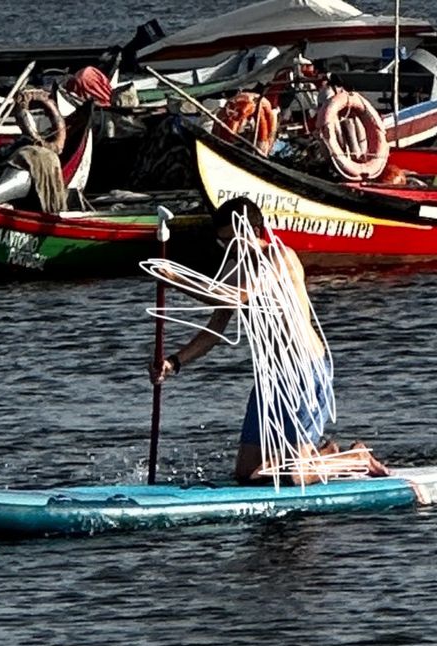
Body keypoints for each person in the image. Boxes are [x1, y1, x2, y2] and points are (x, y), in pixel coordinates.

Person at [148, 196, 389, 484]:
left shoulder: (279, 258)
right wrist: (173, 363)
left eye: (234, 241)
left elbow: (234, 297)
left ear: (254, 231)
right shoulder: (233, 269)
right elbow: (215, 330)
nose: (230, 249)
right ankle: (316, 455)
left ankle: (353, 458)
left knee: (296, 477)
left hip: (303, 373)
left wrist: (177, 279)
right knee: (246, 473)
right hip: (270, 378)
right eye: (223, 242)